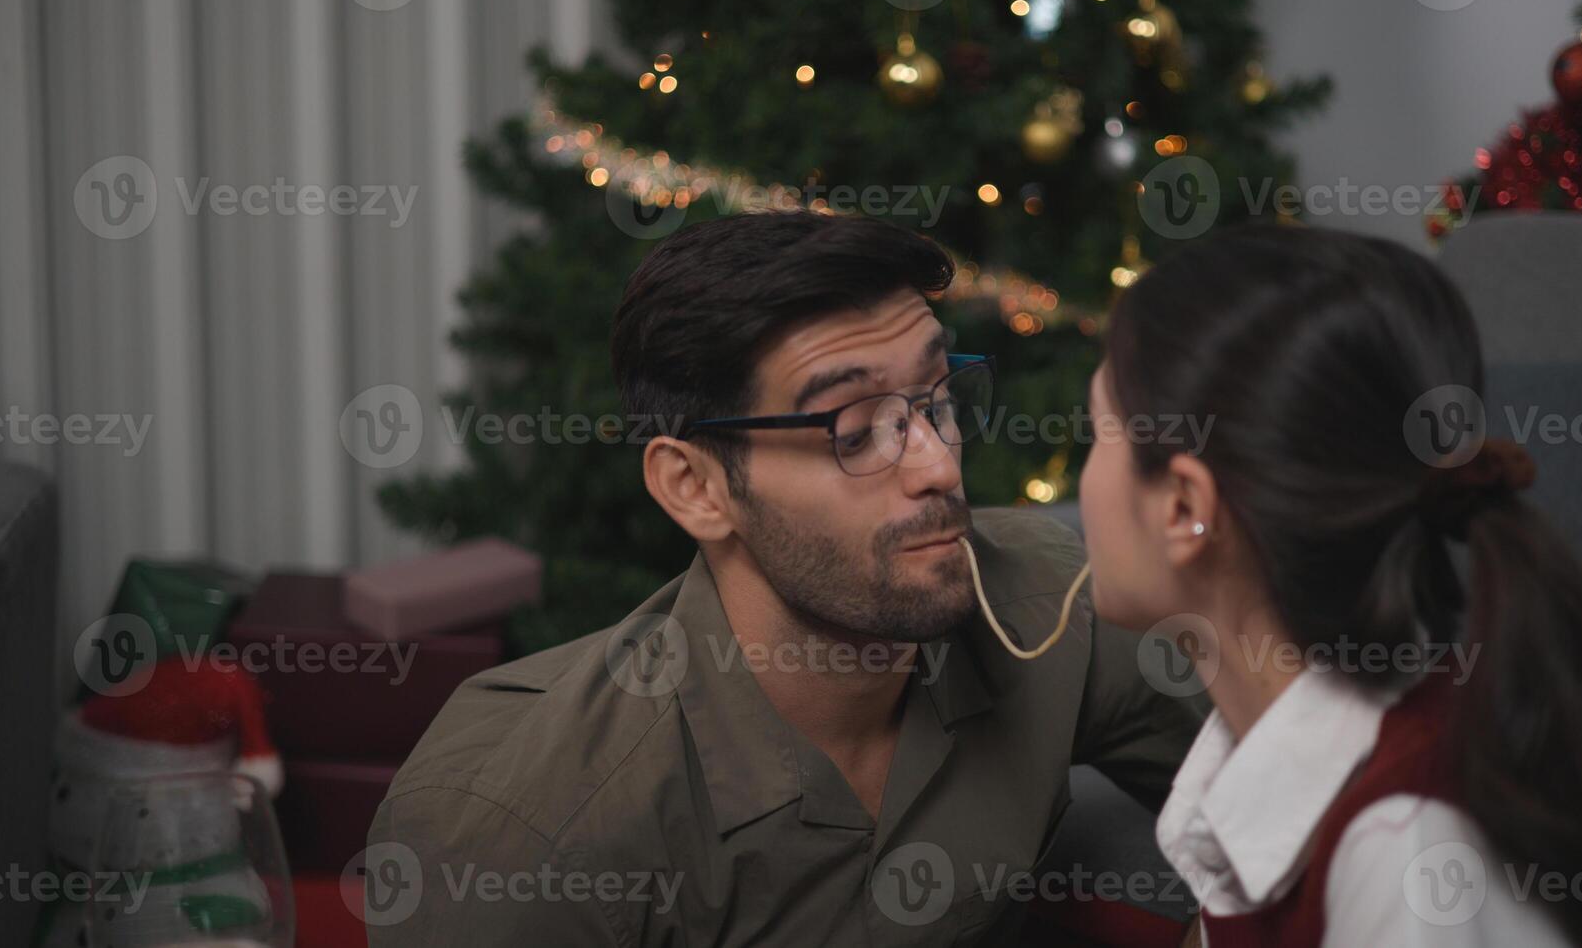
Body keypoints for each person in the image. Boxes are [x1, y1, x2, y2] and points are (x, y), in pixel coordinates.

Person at [368, 211, 1203, 946]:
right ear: (695, 488)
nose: (939, 466)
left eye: (936, 398)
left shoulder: (1048, 606)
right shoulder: (526, 832)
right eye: (853, 426)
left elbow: (1300, 785)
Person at [1076, 226, 1582, 948]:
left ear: (1182, 507)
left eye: (1097, 433)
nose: (1081, 483)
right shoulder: (1276, 759)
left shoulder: (1408, 862)